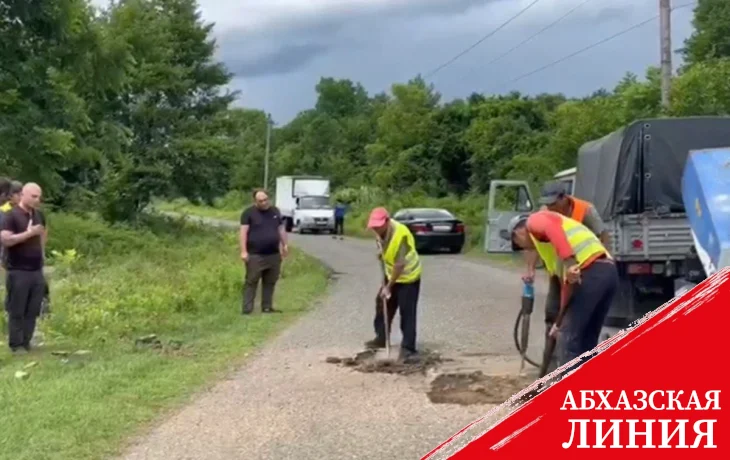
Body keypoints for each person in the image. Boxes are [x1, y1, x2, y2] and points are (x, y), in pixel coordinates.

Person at [509, 210, 617, 367]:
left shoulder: (535, 220)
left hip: (590, 271)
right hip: (608, 273)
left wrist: (570, 262)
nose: (524, 248)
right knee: (585, 338)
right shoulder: (550, 247)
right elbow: (566, 287)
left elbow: (554, 229)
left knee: (569, 339)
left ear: (518, 232)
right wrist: (559, 322)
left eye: (519, 245)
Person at [523, 181, 610, 374]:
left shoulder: (585, 210)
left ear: (564, 197)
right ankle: (552, 367)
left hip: (584, 270)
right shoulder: (542, 215)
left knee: (576, 321)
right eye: (546, 203)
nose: (550, 207)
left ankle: (575, 368)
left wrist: (603, 262)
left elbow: (602, 237)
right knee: (553, 315)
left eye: (553, 203)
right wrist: (530, 270)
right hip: (559, 273)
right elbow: (531, 244)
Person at [364, 207, 423, 361]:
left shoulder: (400, 235)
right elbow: (385, 251)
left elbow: (399, 265)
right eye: (373, 226)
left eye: (378, 226)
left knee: (407, 311)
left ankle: (408, 348)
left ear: (387, 221)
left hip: (408, 277)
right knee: (382, 302)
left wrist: (388, 286)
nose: (376, 229)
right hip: (392, 275)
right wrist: (381, 254)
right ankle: (382, 338)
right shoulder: (379, 232)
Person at [1, 183, 47, 353]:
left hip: (36, 269)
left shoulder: (39, 215)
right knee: (17, 308)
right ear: (23, 195)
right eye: (33, 196)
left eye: (39, 197)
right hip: (18, 269)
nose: (37, 200)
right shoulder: (11, 216)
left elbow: (42, 234)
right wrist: (29, 233)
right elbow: (6, 240)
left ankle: (26, 341)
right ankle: (16, 344)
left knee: (33, 308)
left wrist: (42, 255)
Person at [239, 189, 288, 315]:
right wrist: (244, 251)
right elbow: (243, 233)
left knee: (270, 281)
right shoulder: (248, 213)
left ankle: (267, 307)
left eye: (266, 199)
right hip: (255, 254)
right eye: (261, 201)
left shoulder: (275, 211)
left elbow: (280, 229)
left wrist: (285, 245)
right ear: (255, 201)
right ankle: (247, 309)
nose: (264, 203)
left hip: (273, 254)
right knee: (251, 281)